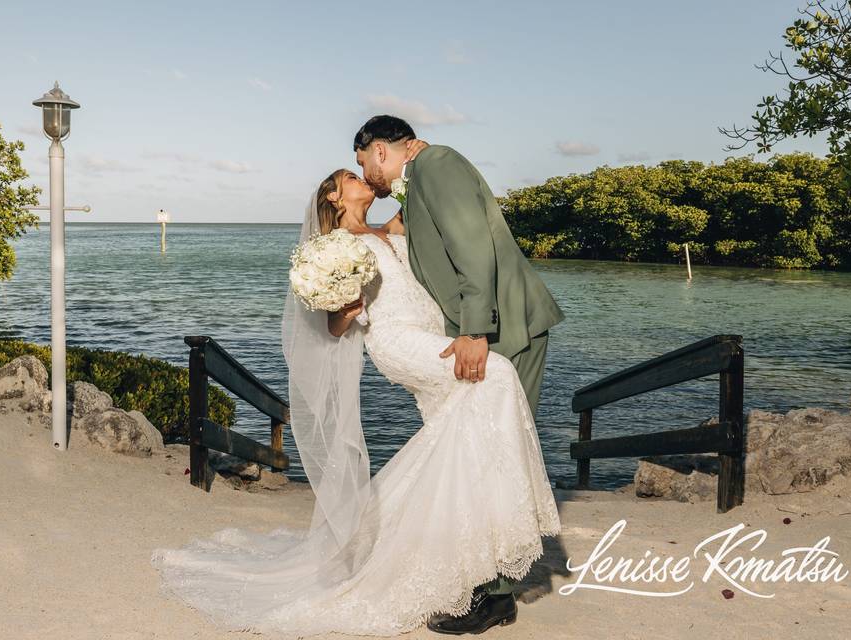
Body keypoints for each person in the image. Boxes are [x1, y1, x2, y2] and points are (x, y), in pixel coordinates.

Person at [150, 161, 562, 638]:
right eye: (350, 176)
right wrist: (346, 309)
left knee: (462, 435)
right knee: (500, 374)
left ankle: (472, 563)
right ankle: (496, 545)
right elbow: (333, 326)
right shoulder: (334, 247)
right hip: (398, 340)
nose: (361, 179)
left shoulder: (389, 229)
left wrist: (415, 167)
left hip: (436, 333)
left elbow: (422, 196)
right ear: (333, 197)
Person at [354, 115, 565, 632]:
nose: (365, 175)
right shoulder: (419, 179)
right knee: (484, 453)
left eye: (363, 163)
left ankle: (496, 597)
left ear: (380, 150)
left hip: (506, 328)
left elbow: (473, 246)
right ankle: (481, 579)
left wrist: (474, 330)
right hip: (488, 330)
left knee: (500, 456)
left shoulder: (436, 163)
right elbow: (408, 237)